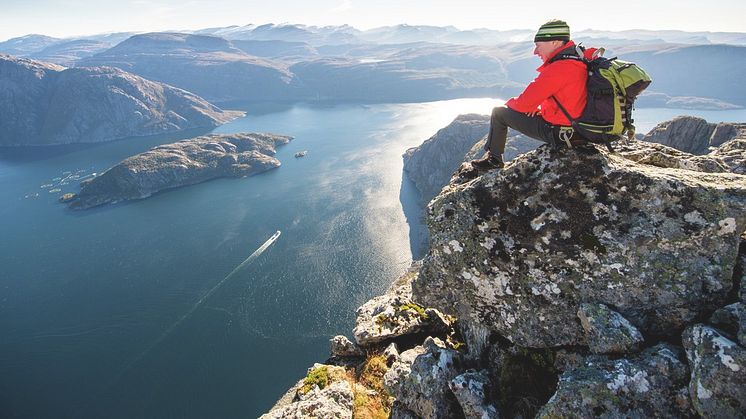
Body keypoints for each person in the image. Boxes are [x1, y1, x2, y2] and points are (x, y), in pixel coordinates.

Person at [471, 19, 590, 171]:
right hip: (579, 130)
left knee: (499, 113)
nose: (535, 51)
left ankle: (494, 159)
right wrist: (540, 108)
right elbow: (570, 98)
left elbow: (523, 104)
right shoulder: (578, 60)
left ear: (554, 42)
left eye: (538, 45)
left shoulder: (558, 68)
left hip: (562, 133)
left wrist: (512, 104)